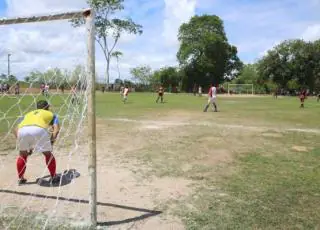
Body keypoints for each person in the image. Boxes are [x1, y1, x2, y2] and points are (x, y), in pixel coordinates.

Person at [14, 100, 61, 185]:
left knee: (22, 155)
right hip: (39, 129)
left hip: (22, 130)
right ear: (47, 107)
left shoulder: (28, 114)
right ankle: (53, 177)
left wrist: (24, 143)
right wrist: (51, 142)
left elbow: (15, 129)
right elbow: (56, 129)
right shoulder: (51, 114)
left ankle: (21, 179)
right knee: (48, 154)